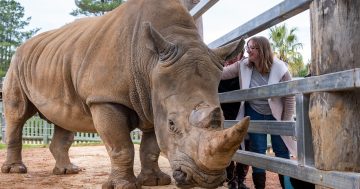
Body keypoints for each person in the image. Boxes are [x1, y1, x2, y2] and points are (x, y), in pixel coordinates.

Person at [221, 36, 296, 189]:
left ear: (262, 50)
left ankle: (287, 187)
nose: (248, 50)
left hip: (277, 115)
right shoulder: (243, 65)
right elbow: (222, 73)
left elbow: (290, 96)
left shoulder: (280, 68)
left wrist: (285, 122)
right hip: (254, 111)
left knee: (281, 151)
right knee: (257, 151)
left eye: (252, 47)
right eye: (247, 47)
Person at [219, 51, 250, 189]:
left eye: (235, 54)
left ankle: (241, 179)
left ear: (241, 55)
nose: (231, 58)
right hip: (225, 113)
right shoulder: (220, 68)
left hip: (243, 111)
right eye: (229, 55)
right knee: (228, 146)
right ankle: (231, 180)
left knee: (247, 145)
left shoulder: (245, 67)